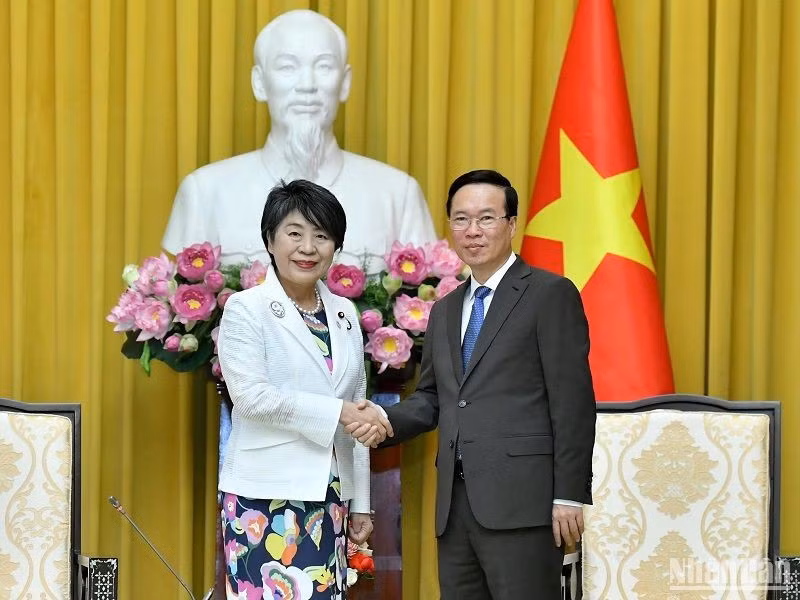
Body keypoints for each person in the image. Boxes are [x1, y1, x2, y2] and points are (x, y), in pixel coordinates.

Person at [348, 169, 596, 599]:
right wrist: (382, 419)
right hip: (455, 508)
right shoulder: (444, 309)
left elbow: (572, 402)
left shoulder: (549, 294)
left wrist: (569, 495)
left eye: (486, 218)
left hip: (526, 505)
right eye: (461, 219)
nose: (473, 231)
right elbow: (433, 399)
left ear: (512, 224)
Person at [217, 179, 392, 598]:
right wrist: (338, 413)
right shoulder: (246, 309)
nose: (308, 247)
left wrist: (361, 500)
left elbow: (358, 406)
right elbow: (252, 398)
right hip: (264, 500)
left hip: (330, 497)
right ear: (270, 240)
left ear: (336, 246)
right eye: (294, 233)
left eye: (322, 235)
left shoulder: (345, 312)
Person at [162, 9, 436, 273]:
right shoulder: (205, 192)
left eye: (324, 66)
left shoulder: (398, 195)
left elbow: (429, 308)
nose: (307, 84)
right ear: (259, 82)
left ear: (345, 83)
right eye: (287, 67)